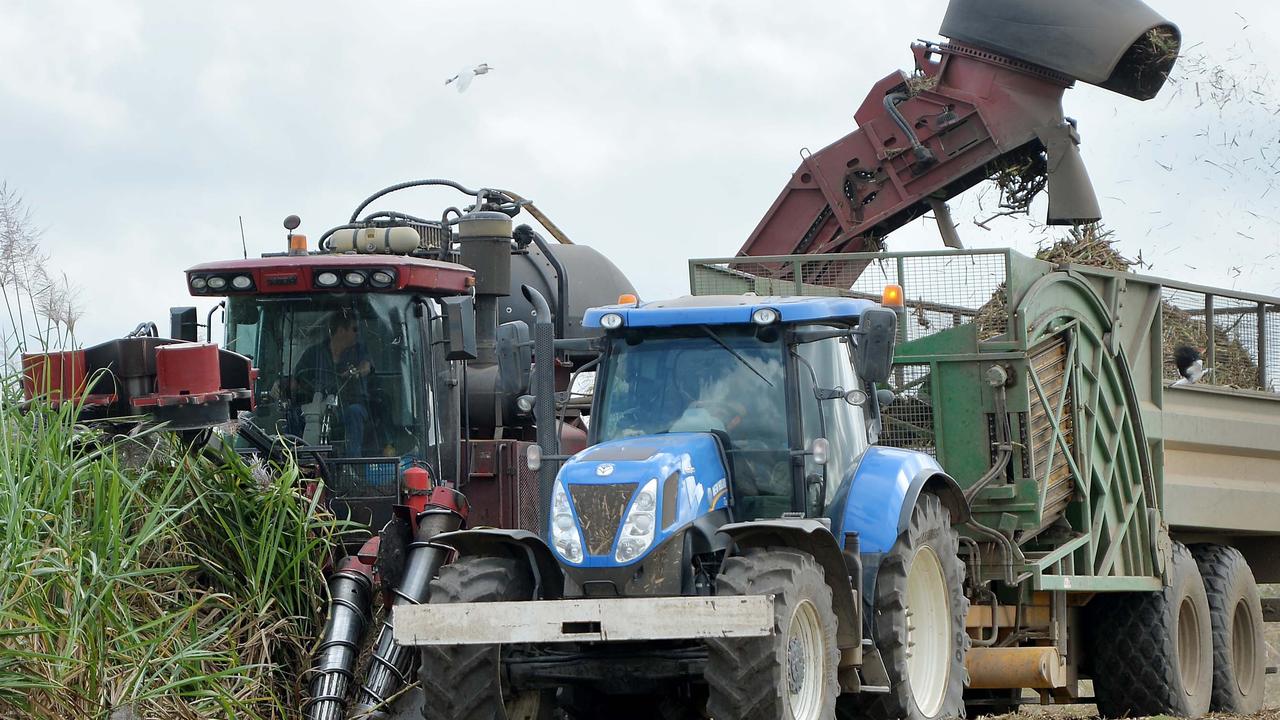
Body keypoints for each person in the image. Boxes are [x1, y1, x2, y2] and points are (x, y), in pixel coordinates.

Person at [291, 311, 374, 456]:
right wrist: (281, 386)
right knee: (293, 414)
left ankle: (352, 463)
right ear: (341, 330)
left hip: (347, 406)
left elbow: (366, 366)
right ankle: (292, 459)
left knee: (355, 413)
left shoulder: (359, 350)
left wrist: (357, 372)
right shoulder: (313, 353)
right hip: (315, 406)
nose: (357, 334)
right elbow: (296, 378)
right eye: (354, 329)